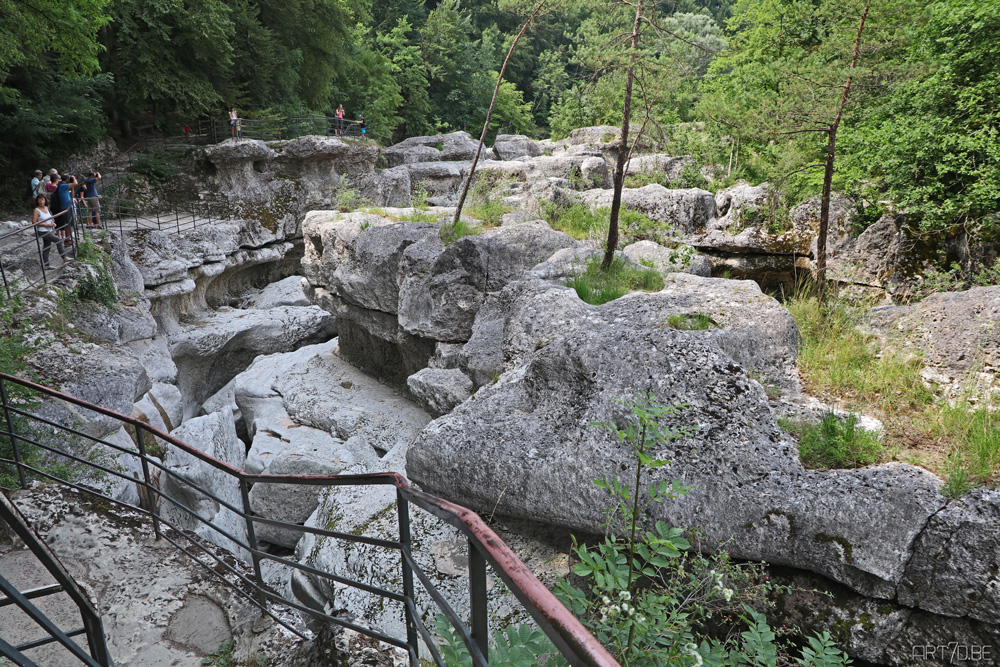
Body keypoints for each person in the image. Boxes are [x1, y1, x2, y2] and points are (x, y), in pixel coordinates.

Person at [31, 195, 69, 269]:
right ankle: (64, 258)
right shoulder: (36, 210)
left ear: (45, 200)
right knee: (58, 240)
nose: (40, 201)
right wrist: (45, 224)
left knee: (46, 247)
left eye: (42, 200)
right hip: (42, 231)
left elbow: (49, 218)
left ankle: (46, 265)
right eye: (39, 200)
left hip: (49, 230)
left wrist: (52, 223)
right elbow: (34, 222)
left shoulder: (46, 208)